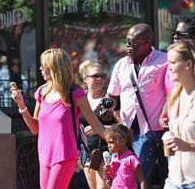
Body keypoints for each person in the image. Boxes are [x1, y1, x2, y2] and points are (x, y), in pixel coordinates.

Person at [10, 48, 106, 189]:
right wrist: (21, 105)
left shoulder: (76, 93)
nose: (41, 69)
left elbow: (97, 126)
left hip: (65, 155)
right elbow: (35, 128)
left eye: (45, 65)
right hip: (44, 154)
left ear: (55, 68)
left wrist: (120, 142)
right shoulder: (42, 92)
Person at [105, 23, 168, 188]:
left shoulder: (164, 61)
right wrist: (108, 107)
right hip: (125, 132)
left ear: (146, 42)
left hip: (151, 130)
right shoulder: (121, 64)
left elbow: (172, 93)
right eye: (126, 41)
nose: (128, 46)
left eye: (132, 43)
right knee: (119, 177)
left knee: (134, 178)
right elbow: (112, 94)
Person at [79, 60, 117, 189]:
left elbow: (124, 128)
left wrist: (99, 129)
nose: (100, 79)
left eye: (103, 75)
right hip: (87, 152)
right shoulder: (80, 98)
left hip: (106, 151)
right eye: (95, 76)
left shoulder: (111, 100)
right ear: (85, 79)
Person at [163, 40, 195, 189]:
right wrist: (167, 141)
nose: (168, 67)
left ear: (188, 65)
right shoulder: (174, 95)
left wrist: (188, 146)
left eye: (173, 62)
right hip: (173, 181)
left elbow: (186, 143)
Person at [160, 16, 195, 129]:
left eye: (181, 35)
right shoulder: (173, 68)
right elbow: (171, 94)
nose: (175, 37)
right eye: (174, 33)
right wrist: (164, 114)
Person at [103, 124, 147, 189]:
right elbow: (113, 180)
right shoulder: (114, 160)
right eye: (107, 143)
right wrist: (107, 172)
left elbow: (142, 180)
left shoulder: (131, 158)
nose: (108, 146)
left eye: (111, 142)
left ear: (123, 140)